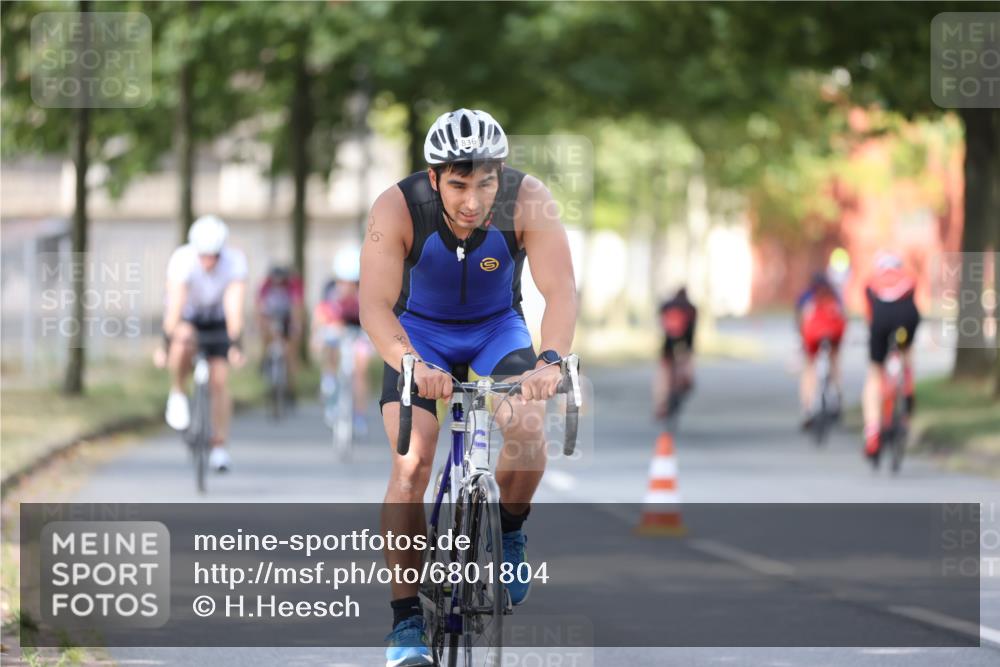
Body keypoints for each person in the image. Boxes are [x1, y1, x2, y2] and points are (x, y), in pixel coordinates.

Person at [359, 108, 577, 666]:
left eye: (485, 183)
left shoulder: (530, 199)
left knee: (528, 431)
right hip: (418, 337)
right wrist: (408, 361)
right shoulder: (397, 206)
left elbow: (561, 291)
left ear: (499, 175)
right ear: (435, 178)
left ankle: (509, 529)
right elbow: (375, 305)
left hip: (495, 332)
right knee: (412, 463)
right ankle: (405, 621)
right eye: (458, 184)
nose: (473, 201)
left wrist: (549, 361)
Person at [161, 215, 247, 473]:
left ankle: (219, 446)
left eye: (214, 256)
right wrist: (165, 345)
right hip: (189, 317)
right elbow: (175, 306)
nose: (209, 261)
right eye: (204, 256)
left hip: (218, 320)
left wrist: (235, 344)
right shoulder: (182, 260)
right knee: (183, 339)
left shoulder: (235, 262)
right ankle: (177, 392)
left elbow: (235, 307)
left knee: (220, 380)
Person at [861, 251, 920, 464]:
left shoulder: (871, 281)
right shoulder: (909, 277)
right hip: (906, 318)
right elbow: (914, 305)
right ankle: (908, 386)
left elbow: (870, 316)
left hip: (881, 319)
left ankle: (873, 433)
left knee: (875, 372)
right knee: (906, 348)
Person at [311, 246, 372, 434]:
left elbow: (372, 320)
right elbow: (320, 317)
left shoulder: (366, 294)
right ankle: (329, 380)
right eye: (342, 282)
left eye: (351, 283)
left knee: (360, 369)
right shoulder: (330, 293)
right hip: (336, 329)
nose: (346, 287)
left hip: (358, 330)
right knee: (332, 346)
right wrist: (317, 337)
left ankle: (359, 415)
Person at [795, 272, 847, 427]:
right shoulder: (834, 295)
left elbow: (800, 319)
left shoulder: (806, 296)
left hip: (811, 335)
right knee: (835, 361)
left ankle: (807, 408)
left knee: (809, 367)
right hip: (833, 334)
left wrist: (800, 338)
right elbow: (842, 317)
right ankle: (837, 395)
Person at [256, 264, 304, 398]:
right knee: (266, 334)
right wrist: (261, 324)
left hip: (287, 319)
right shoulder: (265, 286)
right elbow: (260, 307)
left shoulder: (293, 286)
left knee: (290, 351)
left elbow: (297, 307)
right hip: (271, 317)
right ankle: (265, 359)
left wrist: (296, 326)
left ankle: (291, 386)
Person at [653, 287, 697, 419]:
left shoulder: (666, 305)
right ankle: (685, 380)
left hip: (668, 341)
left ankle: (660, 403)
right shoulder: (691, 308)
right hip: (684, 341)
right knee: (685, 361)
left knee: (664, 371)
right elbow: (692, 331)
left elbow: (661, 323)